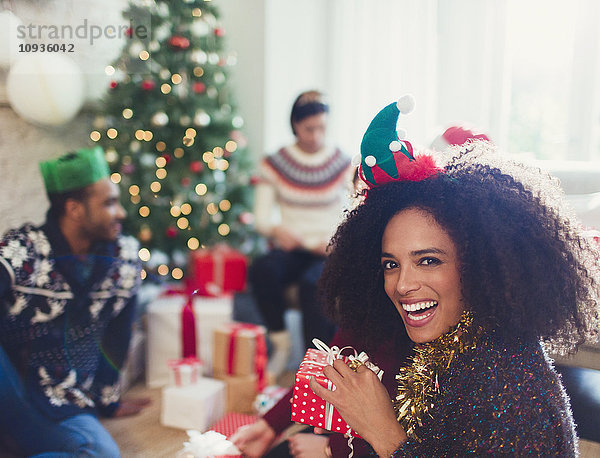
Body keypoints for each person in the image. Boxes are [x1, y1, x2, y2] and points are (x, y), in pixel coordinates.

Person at [233, 97, 600, 456]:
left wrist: (374, 435)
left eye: (428, 261)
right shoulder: (423, 325)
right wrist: (270, 424)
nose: (403, 284)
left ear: (477, 263)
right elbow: (341, 353)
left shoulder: (508, 382)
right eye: (391, 264)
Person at [0, 147, 147, 457]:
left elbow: (117, 339)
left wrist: (108, 399)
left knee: (100, 453)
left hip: (62, 397)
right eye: (109, 203)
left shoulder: (124, 261)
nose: (121, 213)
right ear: (74, 209)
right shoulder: (24, 251)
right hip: (12, 384)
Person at [249, 90, 354, 376]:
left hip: (325, 249)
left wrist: (336, 242)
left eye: (322, 127)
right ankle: (281, 344)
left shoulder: (343, 163)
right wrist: (275, 229)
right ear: (295, 124)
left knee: (315, 285)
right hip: (292, 248)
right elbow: (261, 217)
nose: (316, 135)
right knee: (262, 269)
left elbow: (355, 212)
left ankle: (316, 369)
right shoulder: (276, 163)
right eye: (310, 128)